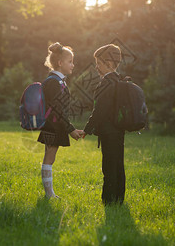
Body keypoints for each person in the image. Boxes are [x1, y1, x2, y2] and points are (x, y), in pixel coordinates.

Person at [38, 42, 84, 198]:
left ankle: (49, 194)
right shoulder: (53, 82)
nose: (73, 65)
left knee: (51, 157)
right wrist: (70, 129)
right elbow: (57, 110)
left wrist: (69, 127)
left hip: (56, 125)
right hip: (52, 126)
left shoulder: (58, 81)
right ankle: (49, 194)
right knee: (49, 158)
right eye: (70, 61)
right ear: (60, 63)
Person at [82, 44, 126, 205]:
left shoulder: (106, 84)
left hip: (108, 132)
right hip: (119, 130)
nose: (96, 67)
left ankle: (108, 200)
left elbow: (99, 110)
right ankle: (119, 198)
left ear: (108, 63)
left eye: (99, 63)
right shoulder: (120, 81)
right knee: (118, 165)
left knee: (108, 167)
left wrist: (87, 129)